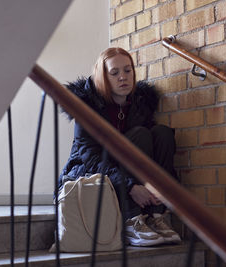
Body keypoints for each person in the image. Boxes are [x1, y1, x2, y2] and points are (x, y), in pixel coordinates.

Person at [58, 47, 181, 247]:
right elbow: (92, 159)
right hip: (92, 169)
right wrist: (130, 186)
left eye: (127, 70)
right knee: (139, 135)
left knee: (162, 133)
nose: (123, 77)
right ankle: (131, 219)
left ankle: (155, 216)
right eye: (114, 73)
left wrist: (160, 187)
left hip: (124, 168)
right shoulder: (86, 107)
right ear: (103, 77)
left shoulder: (139, 103)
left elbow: (149, 149)